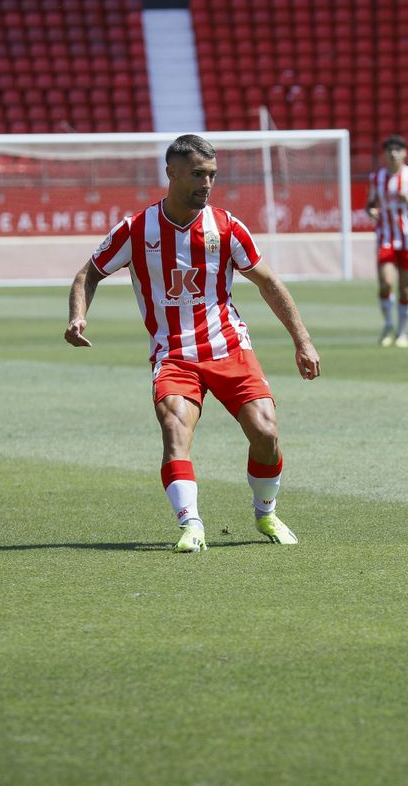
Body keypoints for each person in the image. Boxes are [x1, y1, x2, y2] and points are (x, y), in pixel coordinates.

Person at [64, 134, 321, 553]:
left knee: (266, 432)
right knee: (174, 431)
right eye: (198, 174)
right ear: (172, 172)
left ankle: (266, 512)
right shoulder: (136, 228)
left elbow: (269, 283)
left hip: (229, 347)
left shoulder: (226, 226)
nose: (207, 183)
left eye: (212, 175)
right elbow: (87, 273)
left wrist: (302, 341)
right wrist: (78, 315)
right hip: (174, 355)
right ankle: (191, 525)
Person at [364, 134, 408, 348]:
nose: (393, 153)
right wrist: (372, 211)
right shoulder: (377, 178)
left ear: (404, 153)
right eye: (389, 150)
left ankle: (402, 333)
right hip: (385, 238)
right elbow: (369, 205)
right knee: (385, 283)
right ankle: (388, 325)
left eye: (397, 150)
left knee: (405, 288)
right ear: (385, 154)